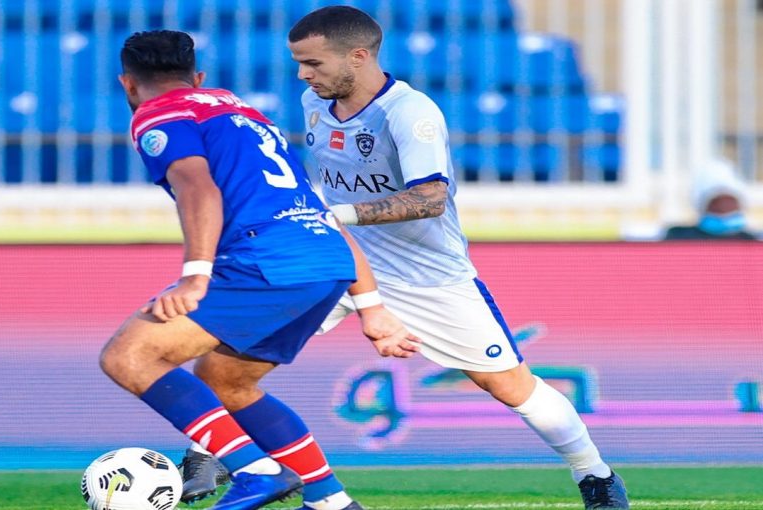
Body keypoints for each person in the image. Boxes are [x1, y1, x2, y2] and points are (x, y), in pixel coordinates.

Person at [183, 7, 631, 510]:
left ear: (358, 56)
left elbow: (430, 199)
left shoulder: (410, 113)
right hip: (337, 261)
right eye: (299, 63)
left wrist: (337, 215)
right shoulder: (315, 102)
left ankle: (594, 474)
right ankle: (210, 455)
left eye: (313, 63)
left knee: (511, 386)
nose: (303, 75)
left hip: (427, 278)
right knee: (230, 354)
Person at [101, 29, 419, 510]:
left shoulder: (160, 113)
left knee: (129, 357)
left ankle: (255, 473)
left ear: (127, 83)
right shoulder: (244, 113)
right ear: (198, 77)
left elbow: (197, 189)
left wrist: (195, 275)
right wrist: (371, 306)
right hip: (326, 261)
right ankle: (331, 501)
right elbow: (311, 207)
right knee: (225, 380)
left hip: (267, 261)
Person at [664, 159, 758, 240]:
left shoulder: (751, 243)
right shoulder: (679, 238)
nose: (724, 207)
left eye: (730, 202)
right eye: (717, 202)